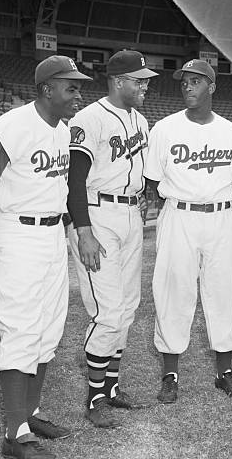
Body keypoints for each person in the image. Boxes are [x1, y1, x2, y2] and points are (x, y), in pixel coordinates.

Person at [0, 55, 91, 459]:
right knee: (21, 330)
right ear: (45, 89)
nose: (77, 93)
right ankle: (14, 435)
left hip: (51, 234)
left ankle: (30, 413)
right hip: (16, 234)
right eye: (70, 86)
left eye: (78, 85)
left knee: (48, 331)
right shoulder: (13, 126)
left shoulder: (61, 130)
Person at [143, 59, 232, 403]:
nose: (187, 86)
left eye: (196, 81)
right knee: (173, 290)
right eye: (184, 81)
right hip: (179, 215)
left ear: (212, 87)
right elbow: (153, 180)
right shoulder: (164, 129)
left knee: (224, 291)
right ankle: (170, 373)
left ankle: (224, 371)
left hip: (221, 217)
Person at [66, 50, 157, 428]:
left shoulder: (141, 119)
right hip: (96, 214)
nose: (145, 85)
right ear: (118, 81)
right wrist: (83, 230)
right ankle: (94, 398)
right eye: (139, 80)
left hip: (129, 214)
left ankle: (112, 388)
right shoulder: (90, 118)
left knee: (128, 308)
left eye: (146, 80)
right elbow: (73, 179)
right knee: (107, 312)